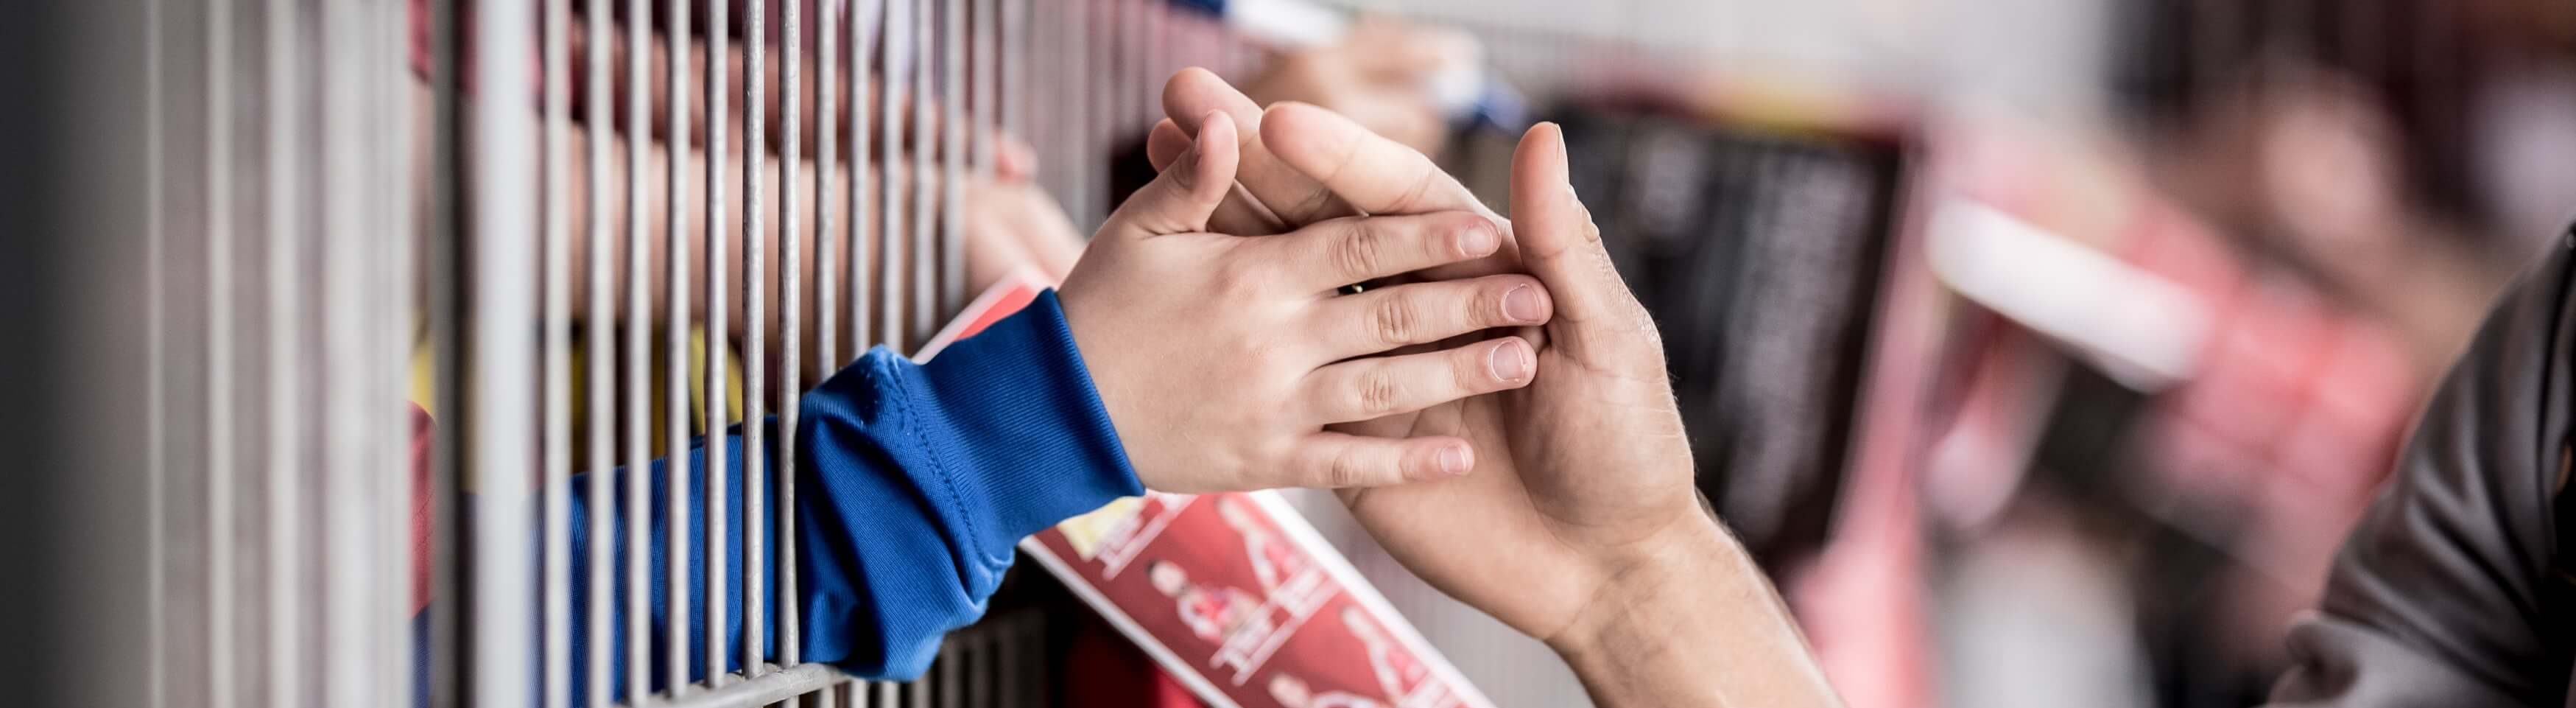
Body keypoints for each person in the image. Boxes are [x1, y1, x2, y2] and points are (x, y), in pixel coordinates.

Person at [1161, 66, 2576, 707]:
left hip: (1922, 452)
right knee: (1808, 216)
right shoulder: (2436, 379)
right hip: (1965, 288)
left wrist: (1635, 587)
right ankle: (1397, 121)